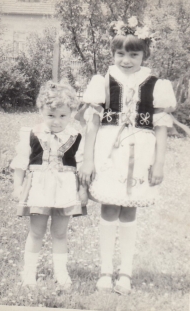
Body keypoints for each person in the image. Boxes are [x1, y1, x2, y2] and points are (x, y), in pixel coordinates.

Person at [77, 17, 177, 293]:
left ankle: (126, 272)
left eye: (134, 54)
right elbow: (92, 123)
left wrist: (159, 163)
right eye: (120, 53)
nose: (126, 60)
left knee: (129, 209)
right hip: (109, 150)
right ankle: (106, 270)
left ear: (145, 54)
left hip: (141, 152)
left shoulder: (156, 84)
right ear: (113, 54)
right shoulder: (103, 80)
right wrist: (87, 159)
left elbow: (161, 128)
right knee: (109, 206)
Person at [11, 80, 86, 289]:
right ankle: (29, 273)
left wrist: (82, 190)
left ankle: (61, 273)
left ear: (71, 113)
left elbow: (80, 166)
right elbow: (20, 162)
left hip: (65, 189)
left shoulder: (76, 137)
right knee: (36, 231)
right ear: (41, 111)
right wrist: (17, 186)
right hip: (39, 190)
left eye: (63, 116)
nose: (56, 121)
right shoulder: (32, 134)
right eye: (50, 116)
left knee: (60, 233)